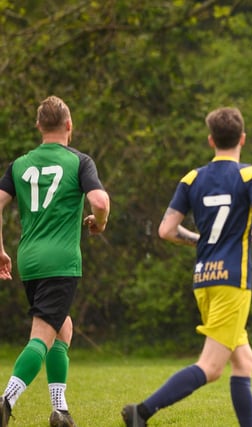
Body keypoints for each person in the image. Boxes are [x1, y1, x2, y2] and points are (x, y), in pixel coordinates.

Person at [121, 107, 252, 427]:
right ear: (242, 139)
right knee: (211, 367)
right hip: (232, 280)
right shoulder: (251, 175)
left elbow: (166, 230)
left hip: (204, 277)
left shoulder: (192, 178)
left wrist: (199, 240)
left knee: (243, 361)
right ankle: (142, 412)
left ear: (210, 140)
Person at [0, 95, 110, 427]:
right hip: (61, 262)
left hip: (29, 261)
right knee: (43, 335)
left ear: (38, 127)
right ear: (69, 125)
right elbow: (100, 201)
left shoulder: (20, 164)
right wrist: (99, 223)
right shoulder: (79, 162)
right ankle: (6, 399)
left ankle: (59, 409)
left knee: (63, 328)